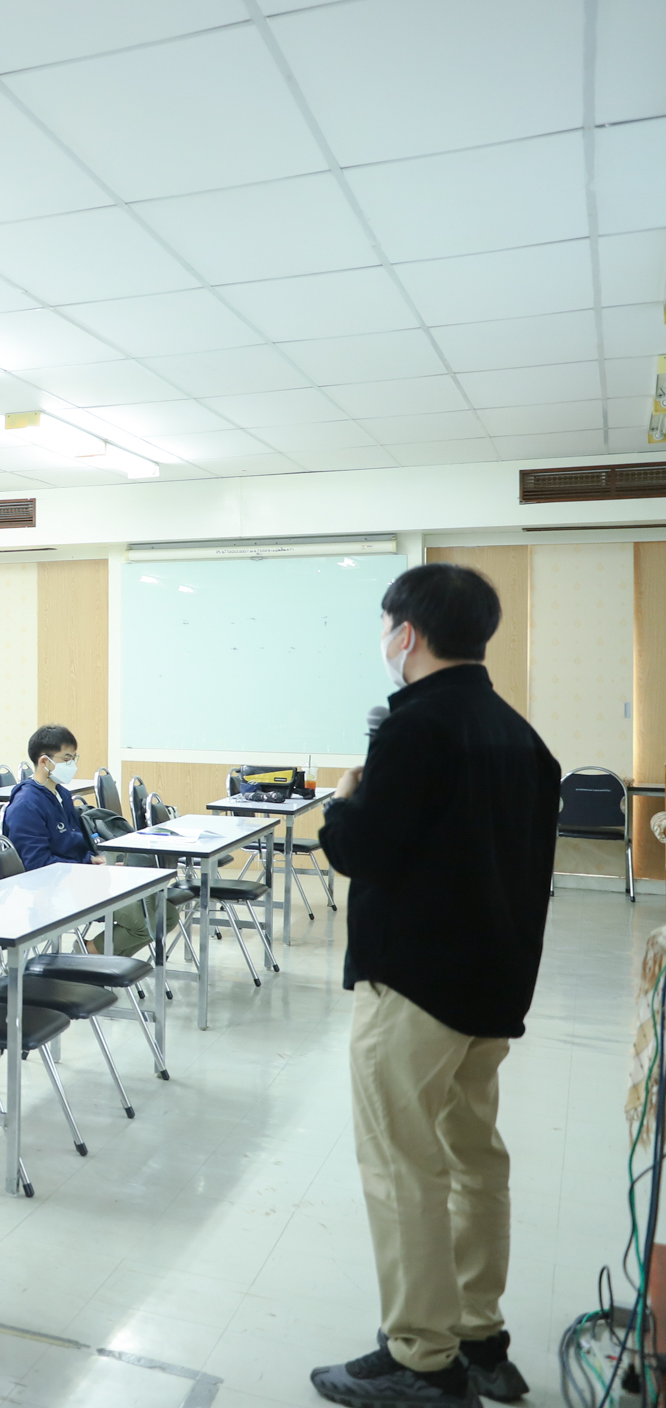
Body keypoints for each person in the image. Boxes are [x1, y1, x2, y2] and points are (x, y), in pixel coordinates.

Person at [308, 564, 555, 1408]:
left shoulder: (414, 729)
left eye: (386, 628)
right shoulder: (521, 737)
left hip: (413, 988)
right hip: (491, 991)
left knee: (402, 1167)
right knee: (475, 1159)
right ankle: (480, 1337)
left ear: (406, 634)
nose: (385, 641)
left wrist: (342, 804)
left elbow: (363, 850)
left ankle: (422, 1356)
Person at [2, 725, 158, 953]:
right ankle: (87, 954)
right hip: (51, 890)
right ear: (44, 761)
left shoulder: (62, 794)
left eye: (74, 758)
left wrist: (94, 860)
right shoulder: (26, 805)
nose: (72, 765)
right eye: (66, 758)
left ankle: (94, 957)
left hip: (80, 879)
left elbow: (75, 841)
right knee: (144, 924)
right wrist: (87, 869)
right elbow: (36, 865)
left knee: (165, 914)